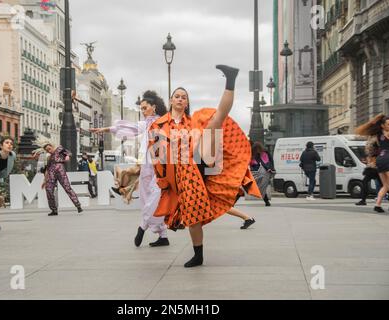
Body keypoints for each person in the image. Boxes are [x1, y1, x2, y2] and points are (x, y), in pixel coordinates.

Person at [149, 65, 261, 268]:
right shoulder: (159, 125)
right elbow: (156, 155)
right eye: (177, 96)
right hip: (177, 171)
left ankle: (230, 80)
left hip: (196, 162)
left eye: (184, 96)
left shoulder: (194, 122)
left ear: (187, 102)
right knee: (193, 219)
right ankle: (198, 254)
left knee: (216, 120)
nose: (181, 98)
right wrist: (163, 180)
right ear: (171, 101)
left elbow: (214, 123)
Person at [91, 90, 170, 247]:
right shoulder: (145, 123)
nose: (143, 110)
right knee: (146, 198)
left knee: (155, 198)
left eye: (145, 107)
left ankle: (142, 227)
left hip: (159, 166)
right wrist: (104, 130)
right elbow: (130, 128)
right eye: (141, 108)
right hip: (145, 165)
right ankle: (163, 235)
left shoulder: (162, 122)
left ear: (154, 107)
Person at [355, 114, 389, 213]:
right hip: (388, 158)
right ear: (382, 125)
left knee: (386, 185)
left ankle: (377, 205)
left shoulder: (378, 134)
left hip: (380, 159)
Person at [33, 140, 83, 216]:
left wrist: (67, 156)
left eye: (49, 149)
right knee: (49, 190)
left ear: (51, 146)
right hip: (51, 173)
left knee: (67, 187)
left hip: (60, 171)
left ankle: (78, 205)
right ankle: (54, 210)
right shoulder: (48, 157)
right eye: (47, 150)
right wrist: (44, 181)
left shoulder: (59, 149)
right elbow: (46, 169)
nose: (49, 151)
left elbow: (68, 153)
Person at [356, 136, 382, 206]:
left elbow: (378, 150)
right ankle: (363, 200)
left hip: (375, 166)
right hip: (373, 166)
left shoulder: (376, 139)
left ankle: (363, 200)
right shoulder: (372, 138)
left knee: (384, 185)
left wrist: (372, 156)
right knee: (383, 185)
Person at [250, 142, 275, 206]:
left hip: (265, 172)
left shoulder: (265, 153)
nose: (257, 151)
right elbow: (256, 163)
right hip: (258, 172)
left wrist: (269, 168)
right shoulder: (256, 154)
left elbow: (267, 162)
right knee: (260, 187)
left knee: (262, 187)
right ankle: (266, 201)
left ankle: (266, 201)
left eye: (257, 149)